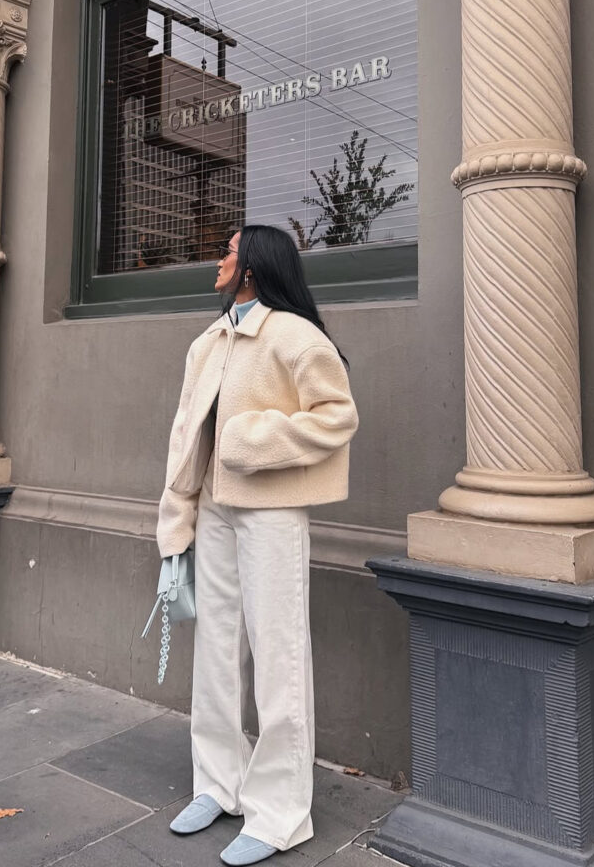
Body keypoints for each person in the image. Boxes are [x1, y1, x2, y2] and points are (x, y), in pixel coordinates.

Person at [155, 224, 359, 866]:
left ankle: (277, 814)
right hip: (214, 509)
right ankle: (217, 784)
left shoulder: (293, 335)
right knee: (215, 649)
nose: (218, 260)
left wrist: (250, 440)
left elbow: (336, 414)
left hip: (270, 509)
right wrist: (176, 521)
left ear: (253, 267)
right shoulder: (208, 342)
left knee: (278, 654)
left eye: (228, 252)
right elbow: (185, 436)